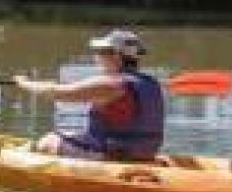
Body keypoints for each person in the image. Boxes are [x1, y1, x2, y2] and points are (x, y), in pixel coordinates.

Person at [13, 30, 164, 161]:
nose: (97, 57)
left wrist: (24, 83)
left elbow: (57, 93)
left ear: (116, 56)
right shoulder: (152, 83)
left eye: (101, 52)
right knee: (72, 133)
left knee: (48, 141)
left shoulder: (112, 84)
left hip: (113, 155)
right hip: (144, 153)